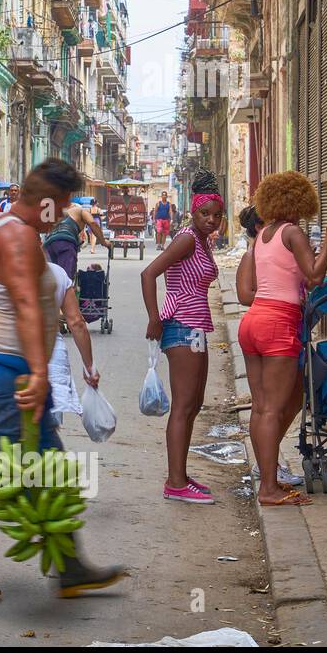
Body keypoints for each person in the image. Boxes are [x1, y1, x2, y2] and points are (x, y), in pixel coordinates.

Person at [0, 158, 124, 604]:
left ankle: (70, 567)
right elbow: (30, 306)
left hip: (3, 365)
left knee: (46, 461)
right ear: (47, 203)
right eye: (65, 205)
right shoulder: (18, 238)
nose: (67, 214)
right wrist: (36, 372)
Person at [238, 182, 327, 506]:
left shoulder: (262, 236)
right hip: (279, 322)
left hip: (253, 322)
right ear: (297, 201)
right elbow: (313, 277)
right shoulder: (293, 233)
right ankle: (268, 488)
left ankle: (268, 480)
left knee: (260, 408)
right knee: (274, 408)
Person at [141, 171, 224, 504]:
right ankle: (175, 483)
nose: (211, 220)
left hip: (197, 328)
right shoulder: (187, 238)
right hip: (182, 325)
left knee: (194, 405)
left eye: (217, 215)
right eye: (205, 214)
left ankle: (182, 475)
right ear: (193, 212)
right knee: (184, 405)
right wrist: (153, 319)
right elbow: (149, 273)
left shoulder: (203, 241)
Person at [48, 261, 99, 426]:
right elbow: (76, 323)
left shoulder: (2, 272)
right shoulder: (57, 272)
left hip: (11, 360)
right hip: (52, 361)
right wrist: (89, 367)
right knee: (48, 434)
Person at [42, 200, 107, 280]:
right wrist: (104, 242)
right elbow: (93, 224)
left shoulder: (61, 215)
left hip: (49, 245)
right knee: (66, 280)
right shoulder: (81, 211)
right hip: (65, 243)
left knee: (52, 279)